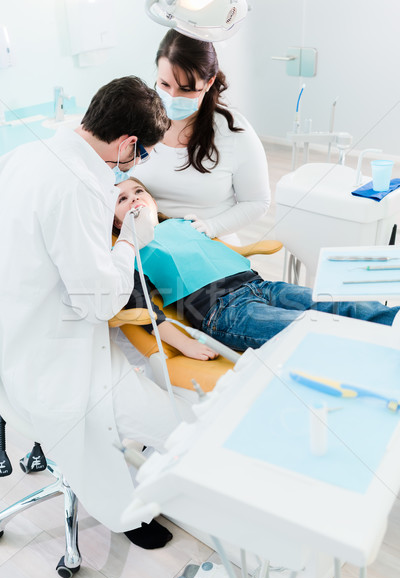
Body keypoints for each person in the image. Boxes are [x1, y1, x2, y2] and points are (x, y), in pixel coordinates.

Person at [0, 77, 182, 550]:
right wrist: (130, 240)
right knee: (175, 430)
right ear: (128, 143)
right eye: (139, 157)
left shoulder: (27, 152)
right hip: (56, 362)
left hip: (14, 344)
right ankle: (125, 513)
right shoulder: (78, 184)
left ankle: (122, 497)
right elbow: (101, 301)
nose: (133, 170)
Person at [114, 178, 400, 352]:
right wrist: (185, 344)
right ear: (115, 221)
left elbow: (218, 253)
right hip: (224, 310)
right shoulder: (131, 252)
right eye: (122, 199)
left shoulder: (184, 224)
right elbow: (143, 310)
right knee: (309, 329)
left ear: (151, 199)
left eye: (139, 191)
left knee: (341, 305)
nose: (134, 198)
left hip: (261, 286)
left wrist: (205, 228)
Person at [118, 30, 271, 244]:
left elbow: (257, 202)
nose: (172, 96)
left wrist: (211, 227)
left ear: (209, 83)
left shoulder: (234, 131)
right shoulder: (136, 122)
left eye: (186, 89)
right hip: (147, 245)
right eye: (164, 84)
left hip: (211, 246)